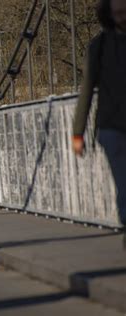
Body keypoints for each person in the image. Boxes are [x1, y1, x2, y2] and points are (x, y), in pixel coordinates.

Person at [73, 0, 126, 249]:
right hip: (111, 128)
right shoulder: (99, 47)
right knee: (124, 182)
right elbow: (86, 92)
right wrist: (77, 133)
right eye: (117, 7)